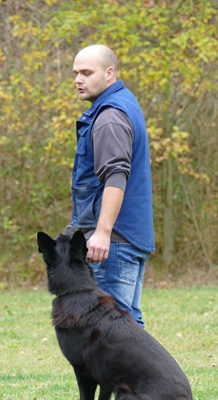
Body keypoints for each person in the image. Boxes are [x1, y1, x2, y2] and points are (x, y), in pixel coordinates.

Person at [62, 44, 155, 328]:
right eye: (76, 73)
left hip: (113, 243)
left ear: (109, 73)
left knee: (112, 332)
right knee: (127, 329)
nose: (78, 80)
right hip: (126, 238)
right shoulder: (123, 103)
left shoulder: (109, 117)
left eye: (87, 73)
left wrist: (102, 233)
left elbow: (115, 176)